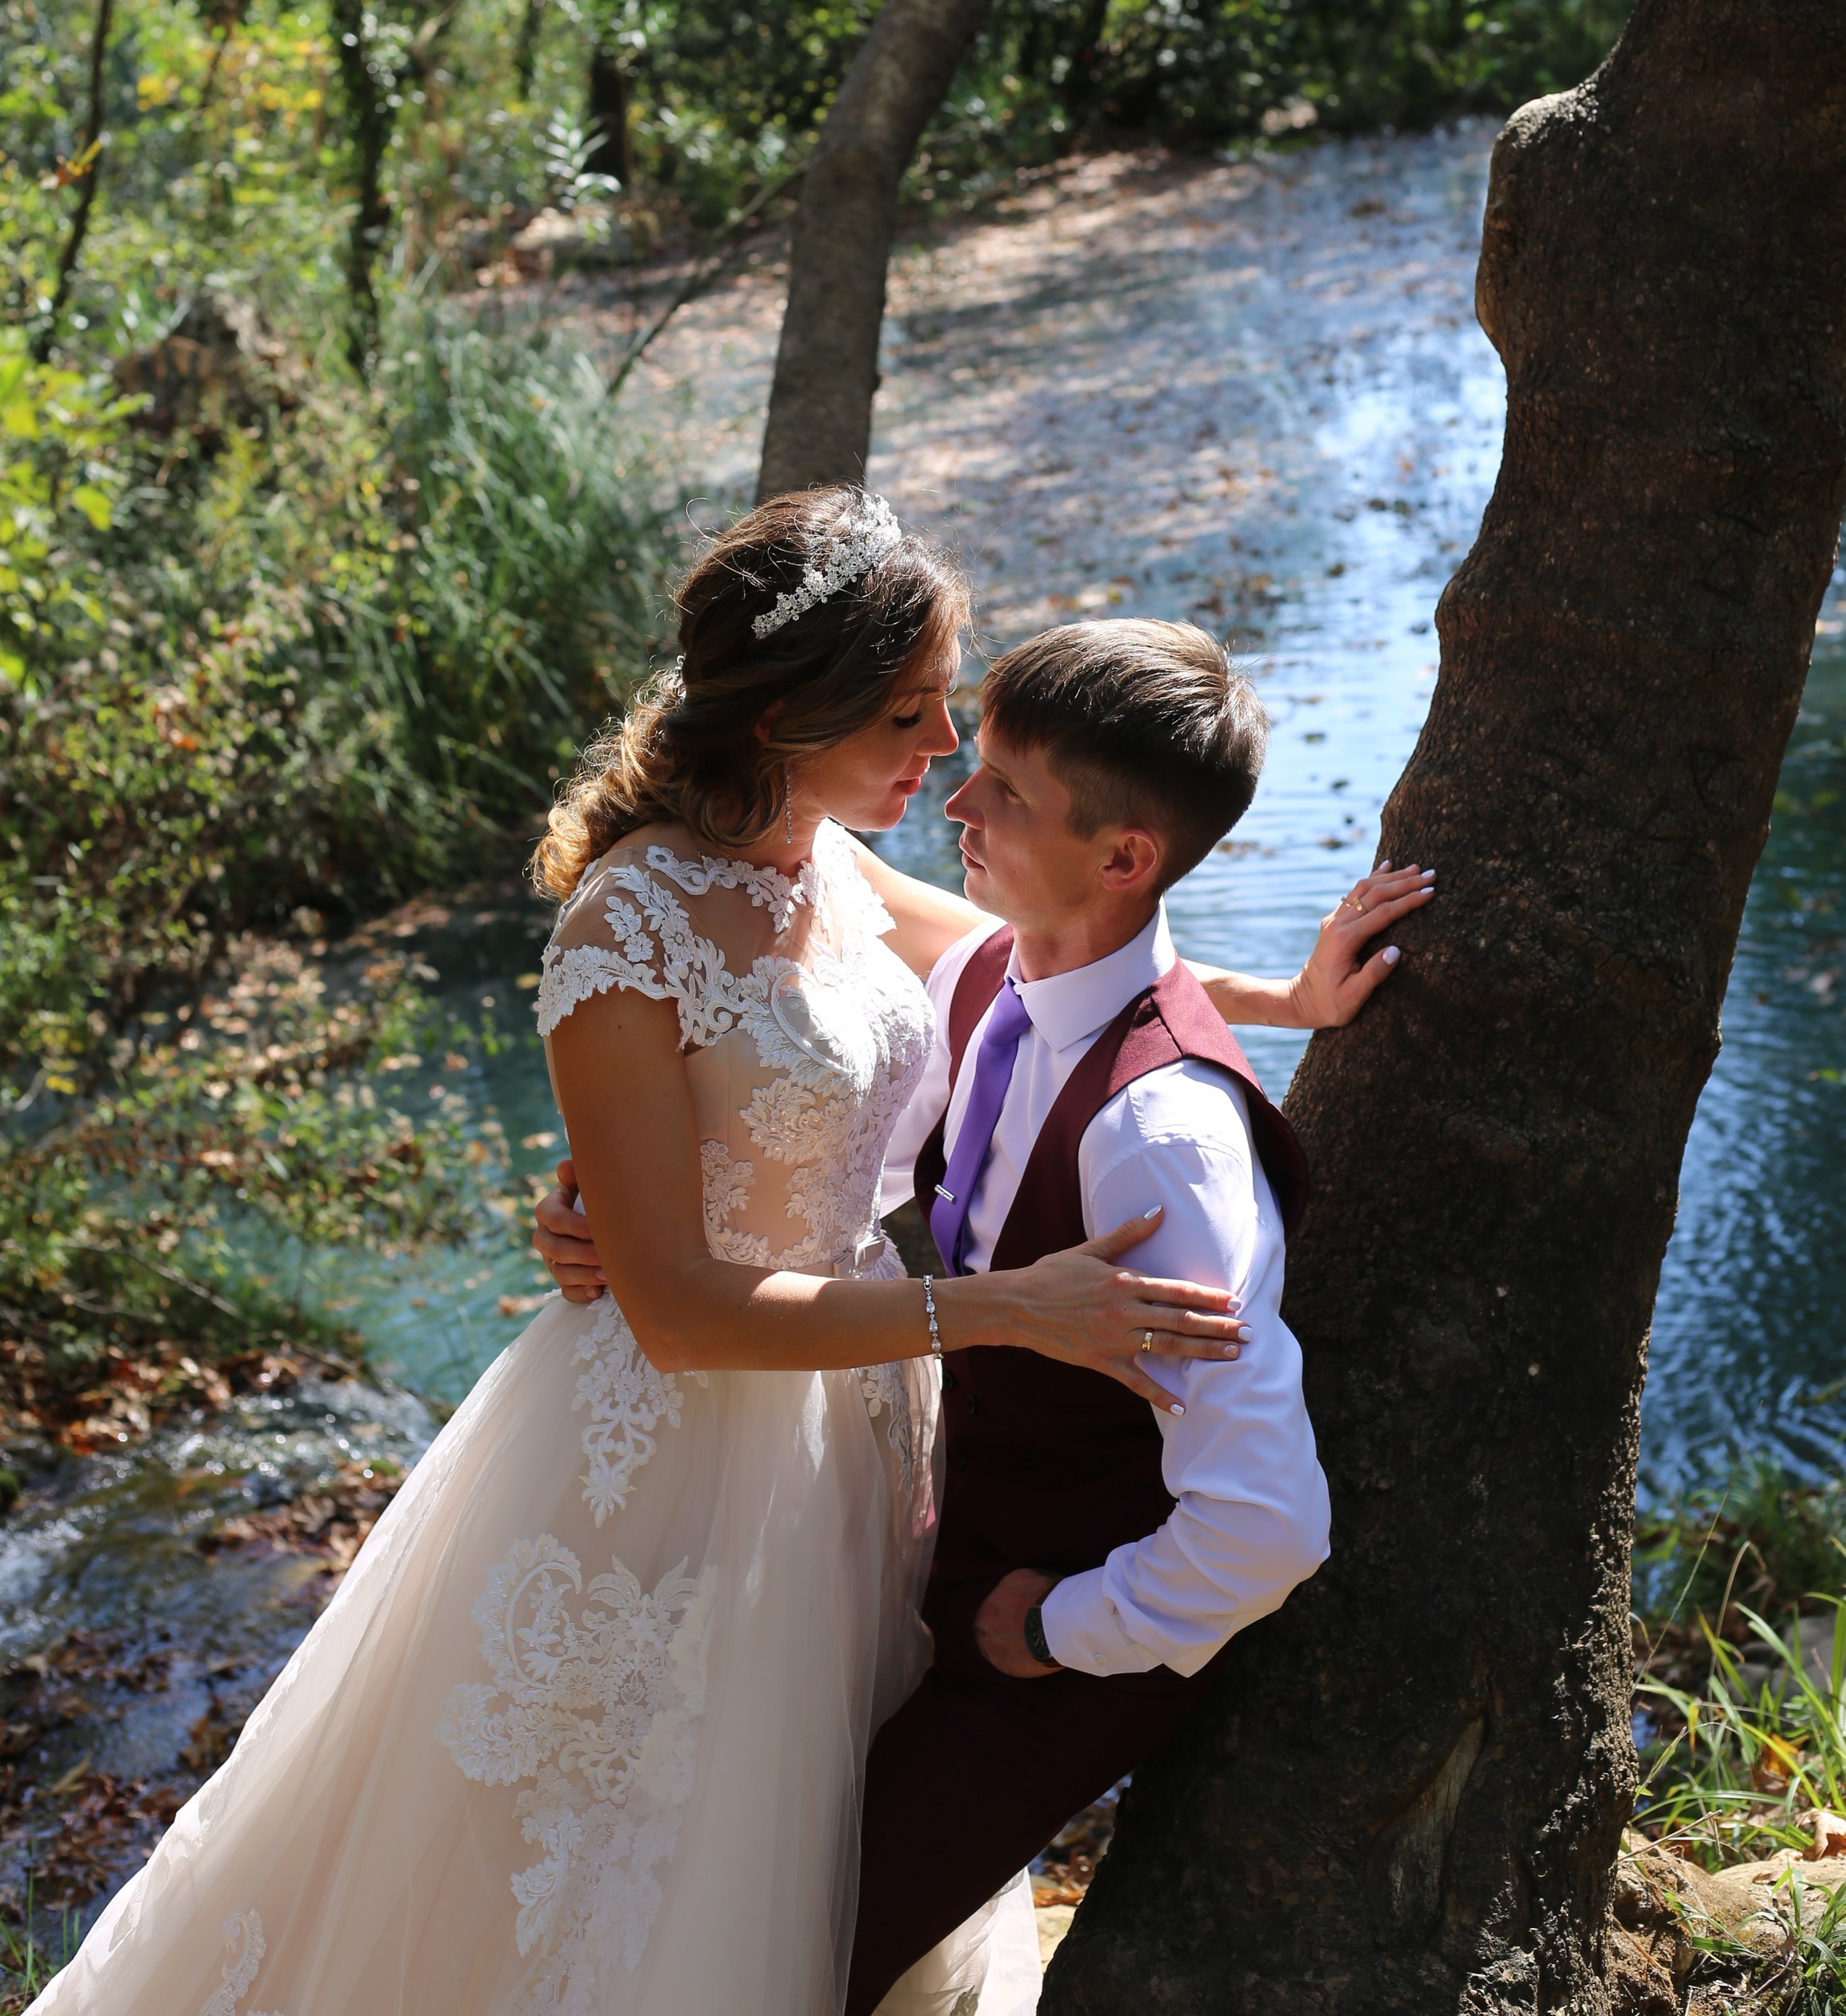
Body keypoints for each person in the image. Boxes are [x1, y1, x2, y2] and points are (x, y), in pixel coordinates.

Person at [30, 488, 1396, 2016]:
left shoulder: (829, 859)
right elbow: (674, 1309)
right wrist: (992, 1308)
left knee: (780, 1834)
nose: (937, 751)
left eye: (948, 711)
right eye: (906, 712)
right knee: (570, 1845)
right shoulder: (623, 925)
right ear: (787, 718)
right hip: (670, 1436)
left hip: (854, 1429)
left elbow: (1047, 953)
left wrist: (1281, 1000)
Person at [534, 578, 1434, 2009]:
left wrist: (1057, 1627)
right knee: (665, 1865)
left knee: (784, 1966)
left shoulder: (1164, 1143)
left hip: (1037, 1641)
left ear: (1122, 852)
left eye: (1001, 792)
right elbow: (833, 1095)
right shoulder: (983, 990)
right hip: (904, 1557)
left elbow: (1267, 1522)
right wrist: (634, 1207)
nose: (954, 795)